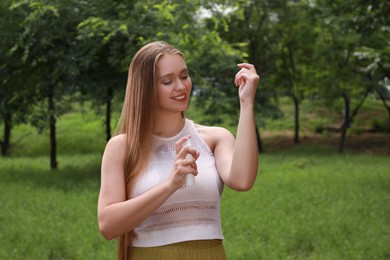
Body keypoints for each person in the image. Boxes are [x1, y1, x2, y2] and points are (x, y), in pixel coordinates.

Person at [98, 41, 259, 260]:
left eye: (184, 76)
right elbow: (108, 225)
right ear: (145, 89)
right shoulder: (122, 147)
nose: (181, 86)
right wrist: (170, 184)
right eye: (168, 81)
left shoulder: (214, 138)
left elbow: (242, 180)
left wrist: (247, 102)